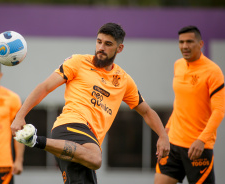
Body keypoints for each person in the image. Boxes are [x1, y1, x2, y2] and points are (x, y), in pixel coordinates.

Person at [11, 22, 170, 184]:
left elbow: (147, 111)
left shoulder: (124, 80)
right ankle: (35, 140)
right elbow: (45, 87)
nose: (101, 47)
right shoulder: (78, 62)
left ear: (119, 48)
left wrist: (163, 136)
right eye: (99, 41)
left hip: (84, 146)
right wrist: (20, 115)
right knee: (95, 158)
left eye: (108, 44)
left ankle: (37, 140)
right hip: (70, 126)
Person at [155, 26, 225, 184]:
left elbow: (219, 110)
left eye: (189, 42)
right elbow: (179, 104)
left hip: (197, 148)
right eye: (181, 42)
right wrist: (164, 132)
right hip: (173, 144)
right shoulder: (178, 65)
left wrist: (202, 140)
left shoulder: (213, 71)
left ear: (200, 44)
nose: (184, 46)